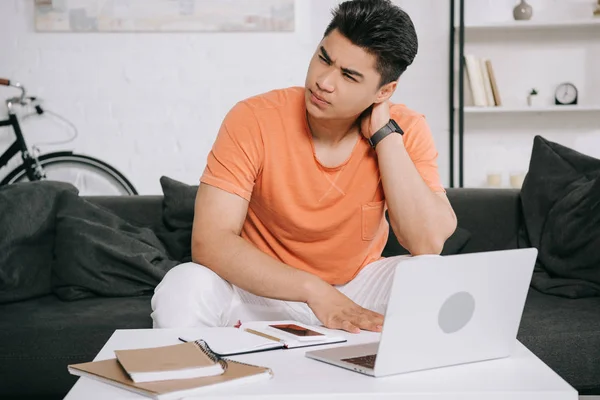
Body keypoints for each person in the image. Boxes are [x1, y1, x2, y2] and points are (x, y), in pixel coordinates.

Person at [151, 0, 457, 334]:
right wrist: (315, 292)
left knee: (431, 275)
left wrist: (384, 134)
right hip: (263, 291)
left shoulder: (405, 129)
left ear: (384, 91)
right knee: (182, 286)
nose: (324, 82)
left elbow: (427, 243)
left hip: (357, 288)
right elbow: (210, 242)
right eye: (324, 58)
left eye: (349, 76)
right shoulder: (253, 118)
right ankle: (189, 381)